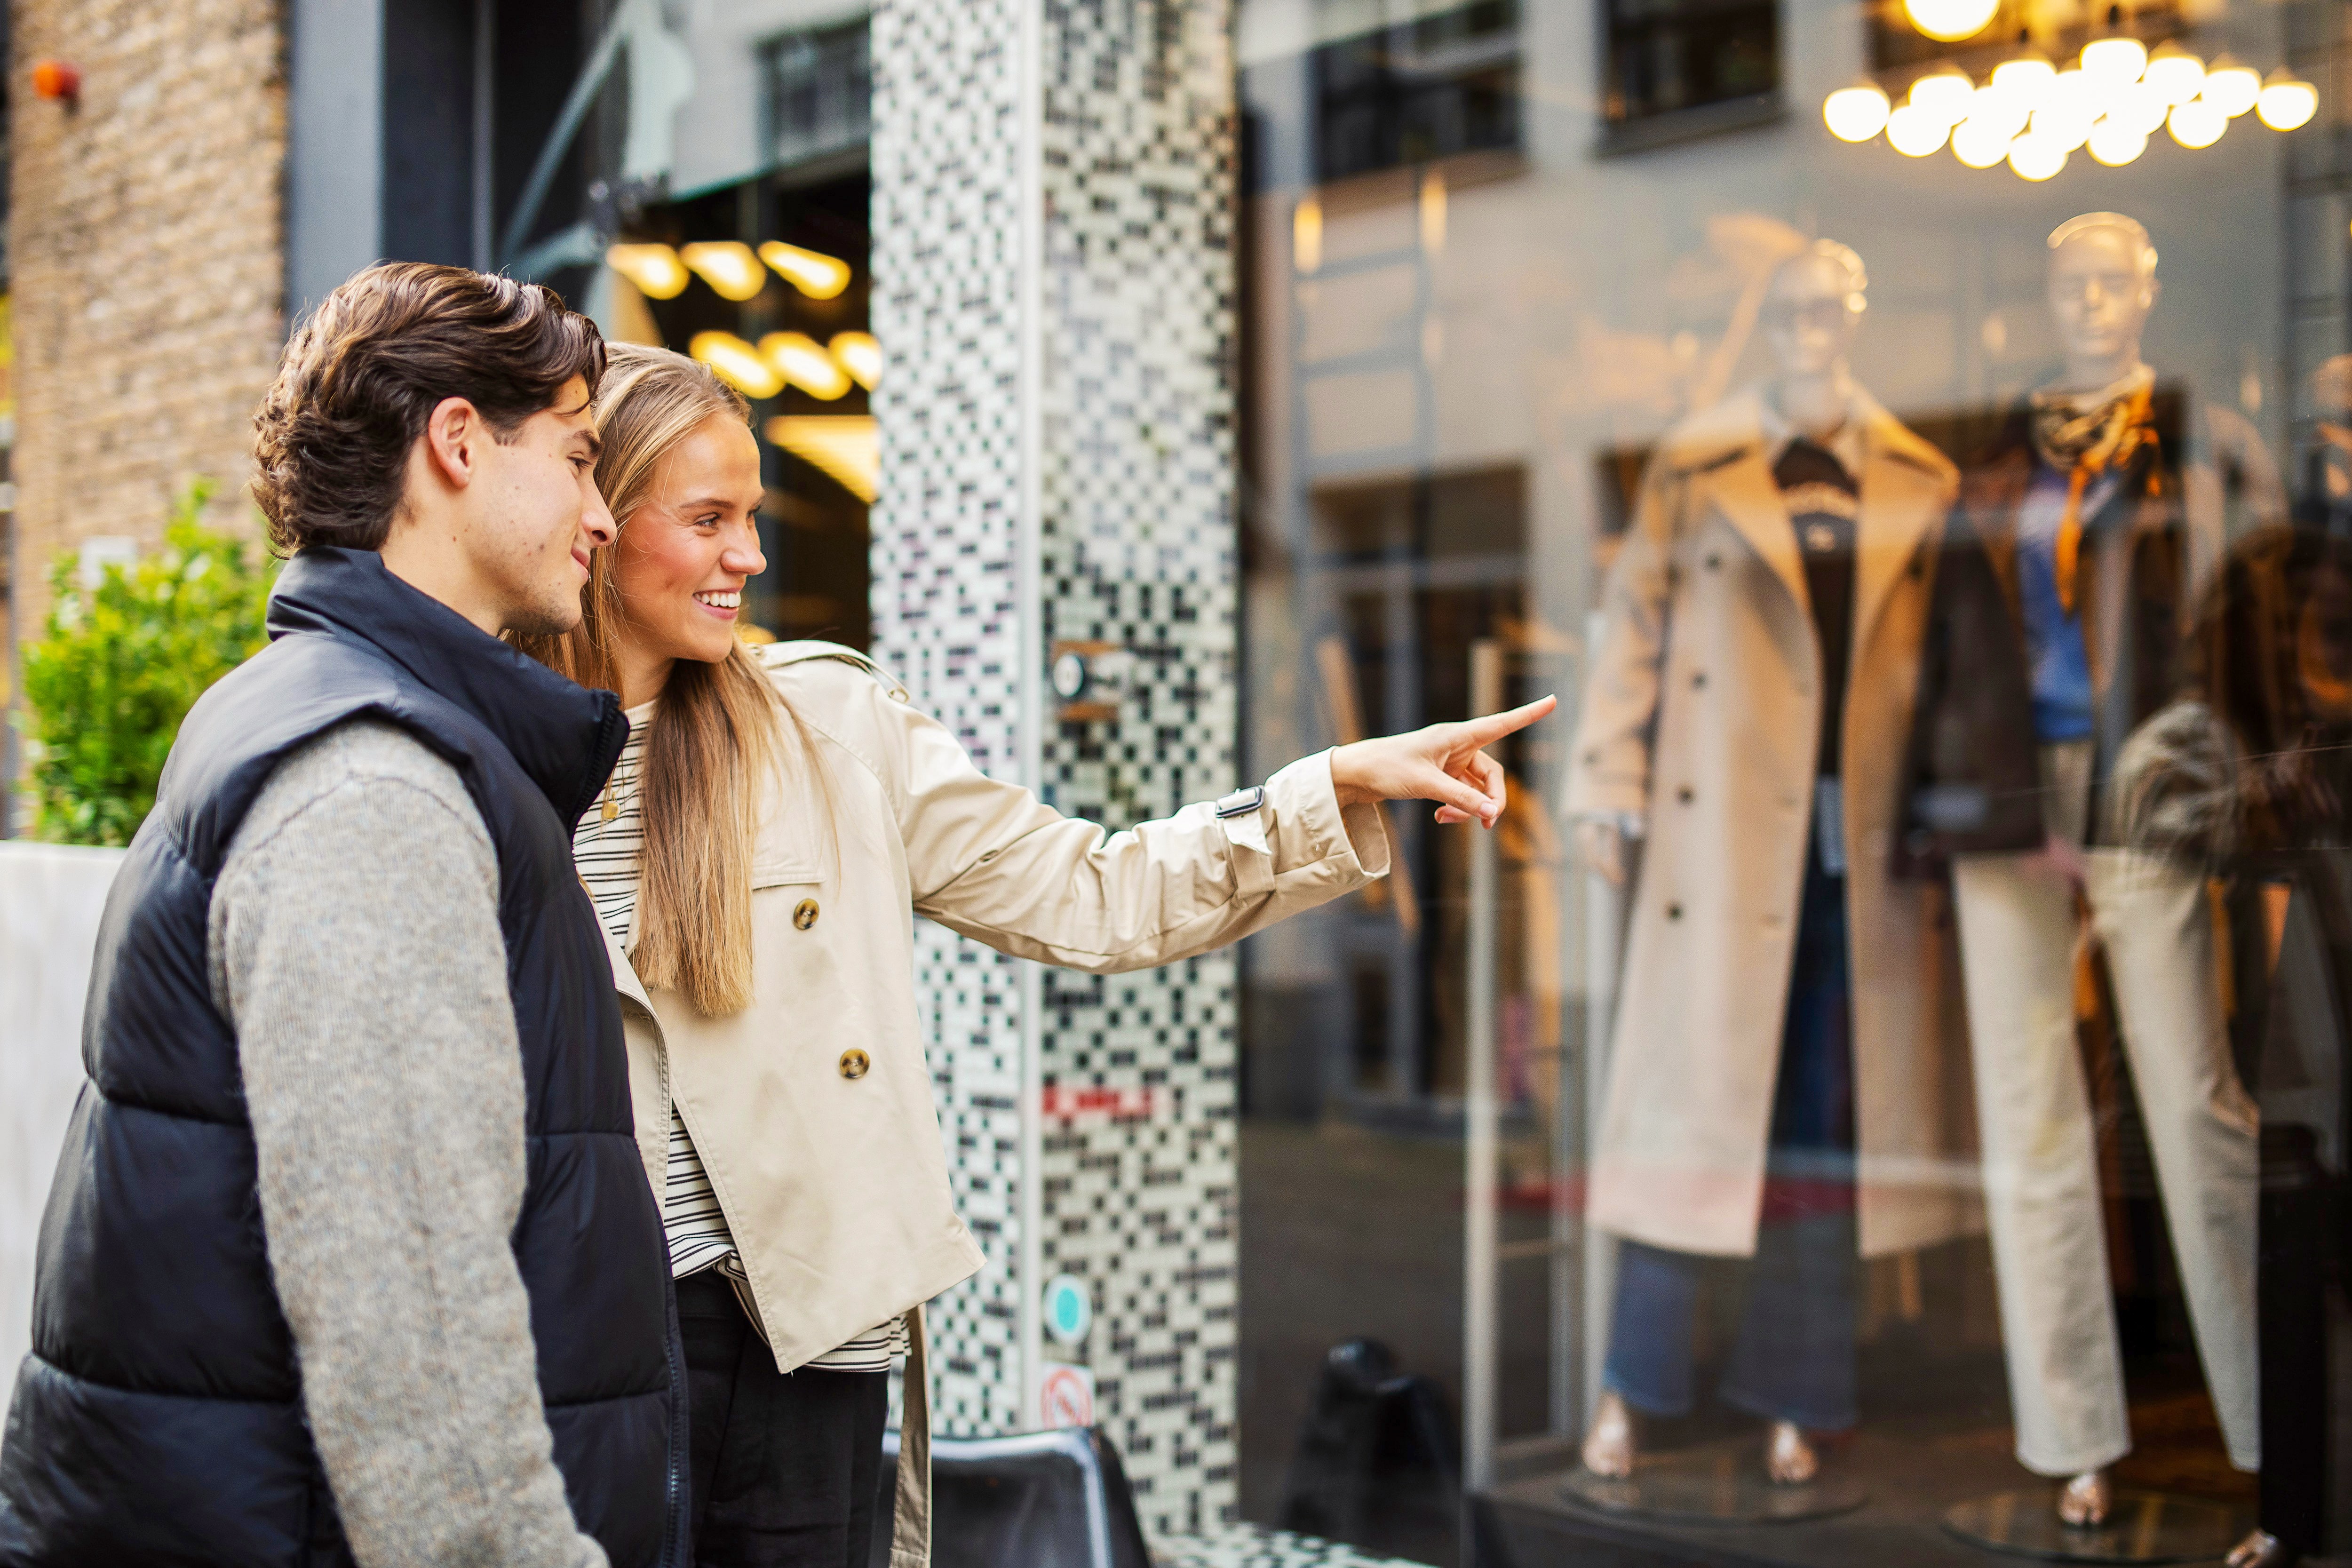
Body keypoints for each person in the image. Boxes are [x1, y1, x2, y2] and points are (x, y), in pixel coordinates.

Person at [527, 343, 1554, 1568]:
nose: (751, 555)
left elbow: (1093, 890)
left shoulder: (829, 725)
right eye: (708, 520)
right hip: (574, 1331)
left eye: (750, 516)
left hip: (796, 1336)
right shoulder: (492, 748)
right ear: (596, 520)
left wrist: (1326, 787)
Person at [0, 264, 687, 1568]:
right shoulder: (374, 783)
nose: (606, 516)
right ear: (457, 442)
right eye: (584, 458)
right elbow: (411, 1326)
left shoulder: (318, 712)